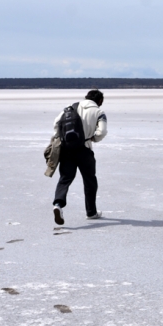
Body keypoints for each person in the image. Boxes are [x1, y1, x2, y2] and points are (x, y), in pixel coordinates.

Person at [52, 89, 107, 225]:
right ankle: (91, 212)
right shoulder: (99, 112)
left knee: (65, 179)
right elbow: (102, 131)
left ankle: (58, 204)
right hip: (85, 149)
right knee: (89, 181)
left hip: (67, 150)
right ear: (99, 101)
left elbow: (56, 124)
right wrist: (93, 138)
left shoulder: (70, 108)